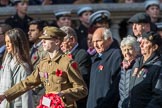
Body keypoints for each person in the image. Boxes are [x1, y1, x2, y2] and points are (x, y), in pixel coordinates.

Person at [0, 26, 88, 108]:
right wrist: (5, 95)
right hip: (47, 105)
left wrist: (63, 94)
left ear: (57, 41)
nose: (43, 42)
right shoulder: (43, 63)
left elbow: (82, 89)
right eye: (42, 40)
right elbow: (27, 83)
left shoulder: (67, 63)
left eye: (46, 39)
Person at [123, 31, 162, 108]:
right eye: (141, 42)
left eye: (146, 43)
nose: (141, 45)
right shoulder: (136, 63)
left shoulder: (158, 67)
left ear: (154, 47)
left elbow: (158, 97)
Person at [87, 27, 123, 108]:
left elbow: (116, 86)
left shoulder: (116, 55)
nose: (95, 45)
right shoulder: (94, 59)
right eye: (94, 42)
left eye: (99, 41)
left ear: (109, 39)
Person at [0, 28, 34, 108]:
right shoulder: (6, 62)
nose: (7, 45)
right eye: (6, 42)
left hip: (16, 105)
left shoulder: (23, 66)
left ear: (17, 43)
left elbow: (25, 92)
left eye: (9, 42)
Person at [60, 26, 91, 108]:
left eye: (61, 41)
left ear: (72, 40)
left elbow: (81, 78)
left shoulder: (81, 54)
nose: (59, 45)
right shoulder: (61, 56)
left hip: (77, 101)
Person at [28, 20, 48, 106]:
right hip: (31, 91)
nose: (29, 33)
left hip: (41, 92)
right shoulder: (31, 49)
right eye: (29, 30)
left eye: (32, 30)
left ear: (41, 32)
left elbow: (45, 74)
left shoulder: (45, 49)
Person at [118, 36, 140, 108]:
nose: (127, 52)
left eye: (130, 49)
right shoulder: (121, 67)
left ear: (136, 50)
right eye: (124, 50)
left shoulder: (139, 65)